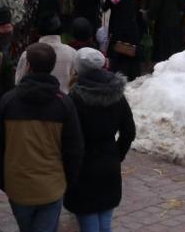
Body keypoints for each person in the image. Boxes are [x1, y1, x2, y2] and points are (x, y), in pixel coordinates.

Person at [0, 42, 84, 232]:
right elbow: (74, 149)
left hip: (17, 185)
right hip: (52, 186)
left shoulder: (8, 101)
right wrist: (68, 180)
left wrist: (2, 180)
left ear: (28, 66)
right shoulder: (64, 104)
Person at [64, 48, 136, 232]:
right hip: (109, 164)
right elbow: (128, 131)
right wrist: (117, 153)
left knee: (89, 222)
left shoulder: (73, 98)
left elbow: (68, 138)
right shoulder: (117, 95)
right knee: (105, 221)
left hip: (83, 168)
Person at [17, 13, 79, 90]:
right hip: (63, 99)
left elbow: (18, 82)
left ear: (38, 31)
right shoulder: (72, 53)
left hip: (33, 99)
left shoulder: (28, 54)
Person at [105, 0, 142, 82]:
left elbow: (124, 19)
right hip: (127, 31)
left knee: (122, 54)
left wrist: (117, 33)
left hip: (124, 33)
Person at [148, 0, 184, 64]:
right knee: (173, 43)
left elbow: (156, 5)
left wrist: (149, 15)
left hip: (163, 20)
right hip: (175, 19)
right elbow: (181, 3)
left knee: (163, 45)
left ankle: (163, 65)